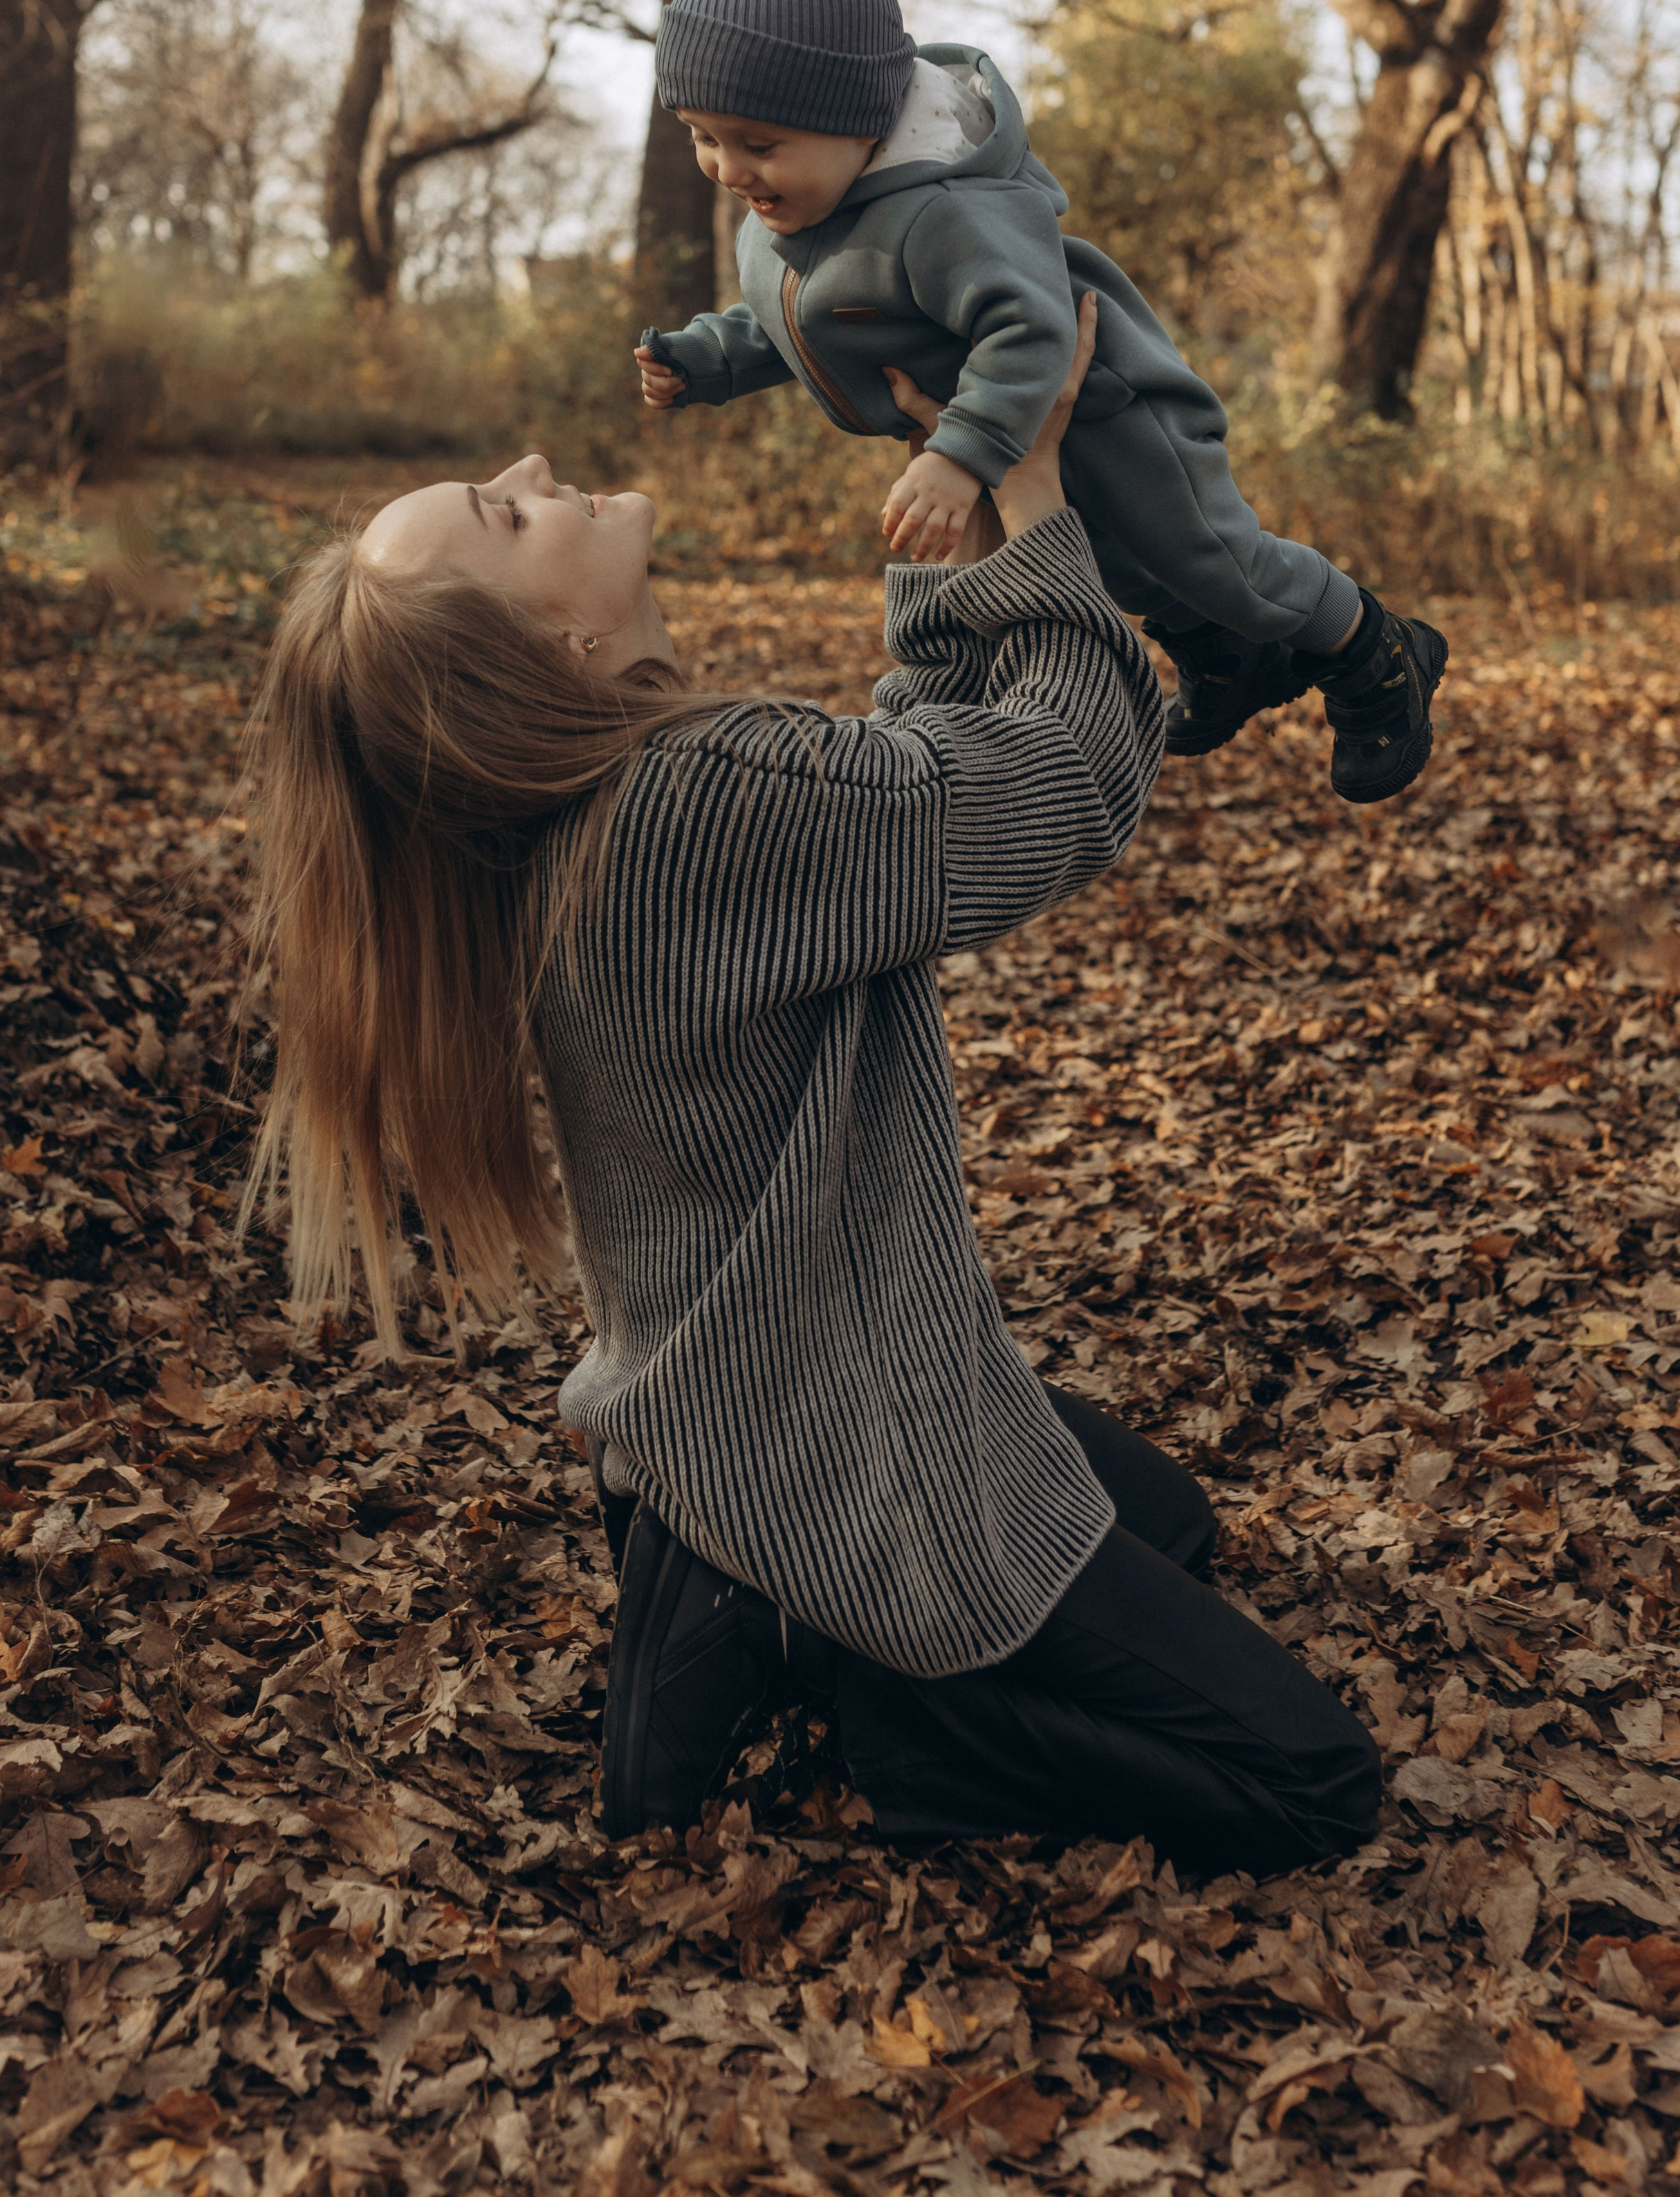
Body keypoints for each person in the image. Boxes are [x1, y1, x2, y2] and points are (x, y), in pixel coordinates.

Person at [243, 297, 1381, 1875]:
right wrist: (1035, 491)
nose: (530, 468)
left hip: (739, 1391)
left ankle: (722, 1556)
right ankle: (868, 1695)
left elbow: (905, 782)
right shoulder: (687, 801)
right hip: (840, 1432)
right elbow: (1062, 787)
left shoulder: (612, 814)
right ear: (551, 651)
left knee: (1170, 1524)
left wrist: (957, 507)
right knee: (1315, 1788)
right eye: (502, 516)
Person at [636, 0, 1446, 807]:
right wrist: (708, 360)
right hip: (1011, 425)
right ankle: (1229, 660)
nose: (727, 169)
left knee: (1215, 560)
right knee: (1118, 567)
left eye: (758, 143)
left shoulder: (943, 213)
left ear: (860, 118)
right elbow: (790, 318)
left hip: (1112, 407)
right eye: (702, 137)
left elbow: (1030, 329)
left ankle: (1376, 650)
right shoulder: (788, 217)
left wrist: (959, 455)